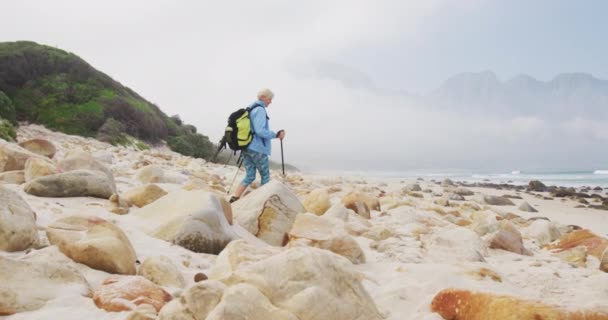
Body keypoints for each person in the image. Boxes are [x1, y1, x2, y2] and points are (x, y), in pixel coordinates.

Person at [230, 88, 285, 203]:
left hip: (246, 147)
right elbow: (260, 131)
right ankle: (261, 202)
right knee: (265, 176)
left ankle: (234, 198)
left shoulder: (250, 109)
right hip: (257, 149)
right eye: (270, 99)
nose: (271, 101)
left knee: (250, 175)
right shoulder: (260, 110)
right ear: (263, 97)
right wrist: (276, 134)